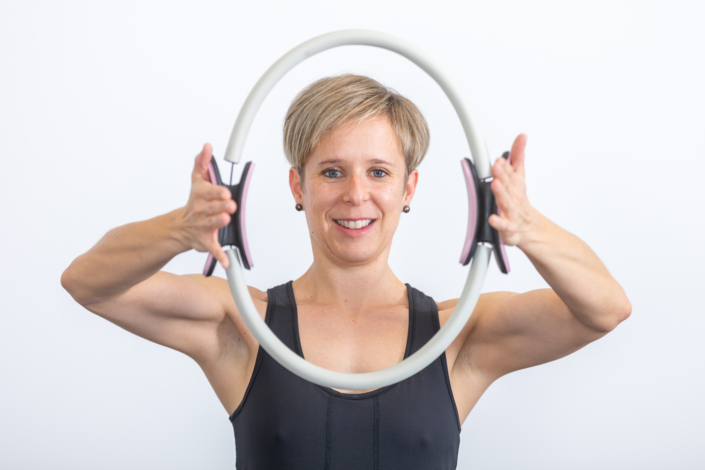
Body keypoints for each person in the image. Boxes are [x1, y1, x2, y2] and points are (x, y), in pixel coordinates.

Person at [61, 74, 631, 469]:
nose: (356, 195)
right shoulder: (241, 322)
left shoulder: (457, 336)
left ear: (408, 188)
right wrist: (181, 229)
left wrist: (528, 229)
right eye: (332, 171)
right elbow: (87, 283)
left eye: (379, 172)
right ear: (297, 187)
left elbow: (606, 308)